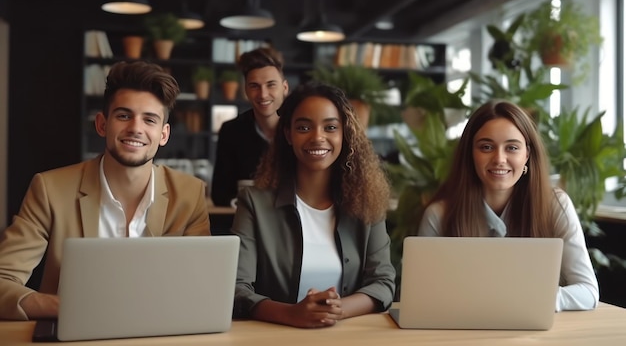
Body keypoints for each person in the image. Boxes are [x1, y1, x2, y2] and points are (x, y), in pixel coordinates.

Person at [0, 61, 211, 321]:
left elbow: (200, 288)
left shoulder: (189, 194)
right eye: (124, 116)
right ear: (102, 124)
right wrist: (66, 307)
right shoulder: (50, 188)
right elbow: (3, 281)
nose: (135, 128)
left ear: (164, 134)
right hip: (74, 333)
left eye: (149, 119)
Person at [232, 82, 396, 328]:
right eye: (304, 127)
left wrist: (337, 310)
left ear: (344, 134)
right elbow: (236, 288)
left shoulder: (367, 202)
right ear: (288, 134)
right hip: (274, 337)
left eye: (330, 127)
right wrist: (291, 314)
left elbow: (383, 283)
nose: (317, 137)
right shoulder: (254, 203)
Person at [417, 100, 599, 312]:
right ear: (470, 154)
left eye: (512, 147)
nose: (499, 159)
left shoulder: (555, 205)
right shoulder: (439, 214)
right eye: (486, 147)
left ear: (527, 155)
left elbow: (588, 291)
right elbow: (420, 296)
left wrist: (535, 300)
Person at [211, 47, 289, 207]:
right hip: (245, 221)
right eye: (254, 86)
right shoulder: (231, 131)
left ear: (285, 88)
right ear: (246, 91)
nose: (263, 94)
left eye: (271, 85)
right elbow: (219, 194)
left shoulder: (300, 129)